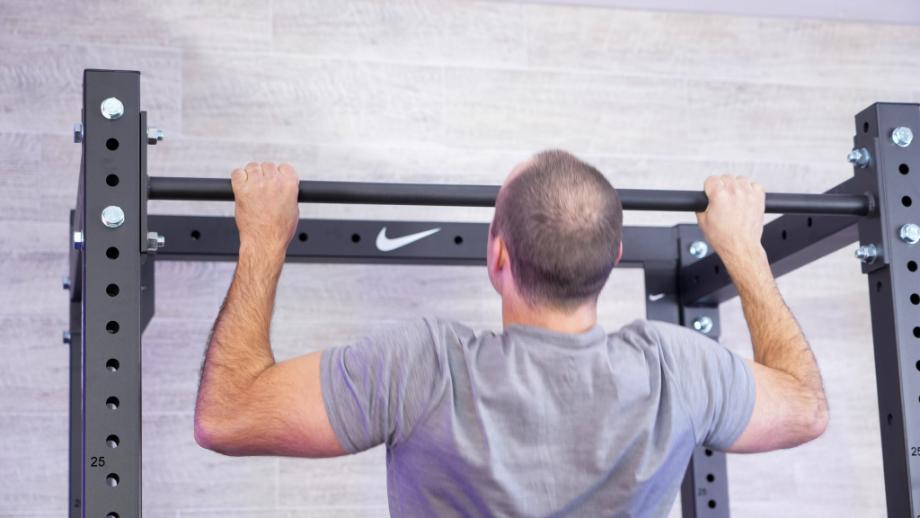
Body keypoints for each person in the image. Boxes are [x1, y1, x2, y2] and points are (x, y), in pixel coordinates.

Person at [193, 151, 829, 516]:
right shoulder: (679, 369)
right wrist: (745, 249)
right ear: (613, 260)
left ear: (497, 256)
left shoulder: (426, 368)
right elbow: (805, 408)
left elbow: (227, 416)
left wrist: (264, 241)